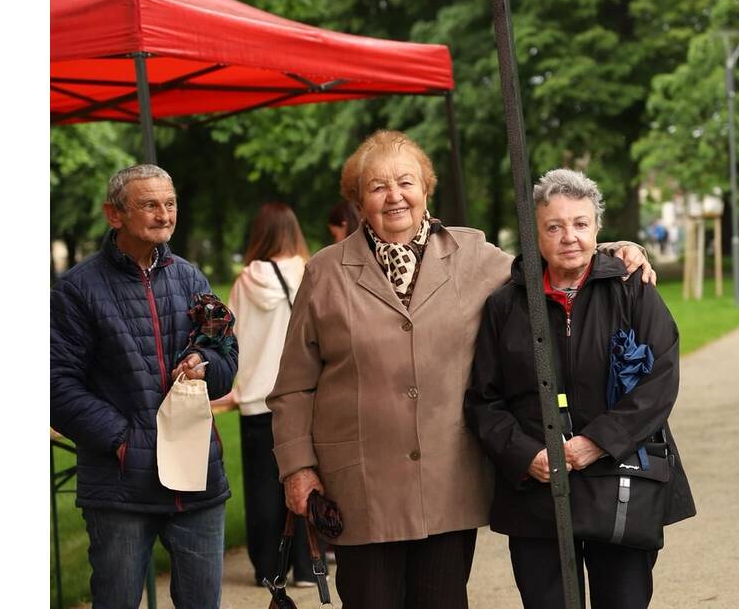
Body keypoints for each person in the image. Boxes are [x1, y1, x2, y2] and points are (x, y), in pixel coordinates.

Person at [267, 131, 656, 609]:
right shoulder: (325, 272)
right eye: (377, 187)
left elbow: (554, 260)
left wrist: (617, 247)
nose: (394, 196)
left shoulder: (473, 256)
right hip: (361, 483)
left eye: (405, 181)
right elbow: (293, 386)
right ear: (358, 200)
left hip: (446, 478)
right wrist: (297, 469)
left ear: (426, 188)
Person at [464, 168, 696, 609]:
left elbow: (659, 380)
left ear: (597, 229)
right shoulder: (505, 305)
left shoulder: (632, 289)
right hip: (536, 492)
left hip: (622, 481)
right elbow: (483, 400)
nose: (569, 236)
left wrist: (597, 442)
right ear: (535, 234)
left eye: (580, 223)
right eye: (554, 226)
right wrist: (524, 454)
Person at [50, 164, 238, 609]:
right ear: (114, 215)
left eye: (169, 203)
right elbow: (55, 384)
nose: (163, 214)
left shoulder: (192, 278)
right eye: (149, 204)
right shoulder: (76, 290)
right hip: (121, 487)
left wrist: (203, 363)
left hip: (197, 480)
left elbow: (226, 355)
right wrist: (122, 441)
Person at [209, 202, 320, 588]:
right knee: (307, 475)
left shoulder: (244, 282)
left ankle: (268, 569)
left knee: (261, 488)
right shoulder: (310, 272)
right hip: (303, 398)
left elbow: (232, 344)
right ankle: (308, 566)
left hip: (257, 401)